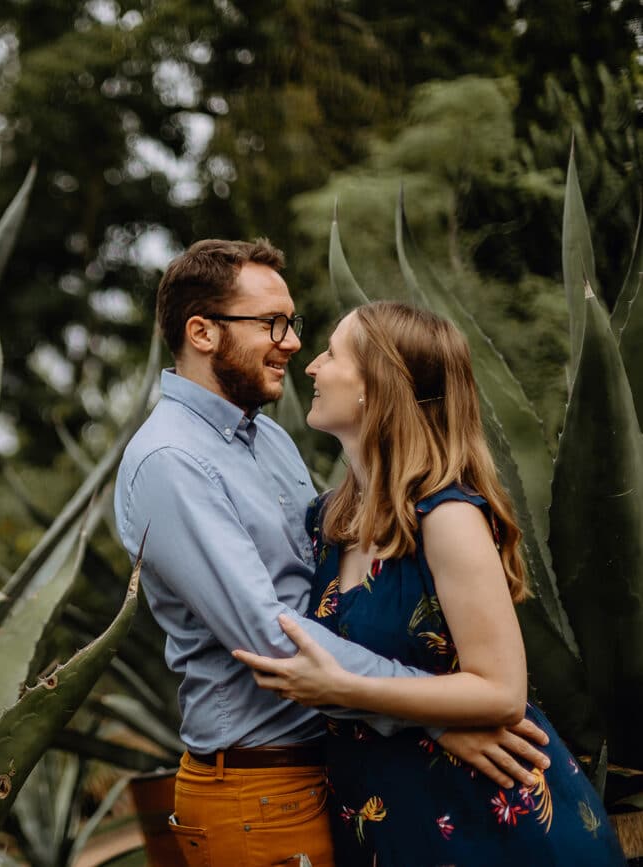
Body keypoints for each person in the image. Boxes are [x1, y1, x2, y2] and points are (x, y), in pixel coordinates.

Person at [114, 240, 550, 867]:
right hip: (260, 788)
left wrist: (436, 706)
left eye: (291, 323)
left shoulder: (267, 438)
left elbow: (339, 588)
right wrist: (439, 711)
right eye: (272, 323)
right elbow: (274, 639)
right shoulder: (170, 462)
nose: (294, 343)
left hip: (344, 773)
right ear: (202, 332)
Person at [233, 301, 624, 865]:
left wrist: (343, 689)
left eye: (333, 354)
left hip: (490, 829)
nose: (311, 365)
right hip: (391, 824)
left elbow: (501, 692)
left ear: (378, 386)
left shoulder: (446, 517)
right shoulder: (328, 521)